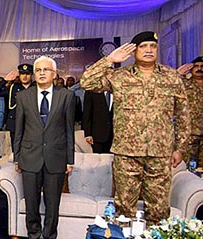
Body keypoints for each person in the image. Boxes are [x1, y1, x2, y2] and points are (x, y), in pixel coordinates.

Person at [80, 31, 189, 225]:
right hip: (126, 154)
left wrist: (180, 148)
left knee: (159, 209)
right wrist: (109, 60)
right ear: (134, 51)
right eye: (143, 46)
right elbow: (87, 82)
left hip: (160, 153)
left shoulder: (172, 77)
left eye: (153, 46)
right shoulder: (119, 76)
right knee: (124, 210)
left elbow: (183, 115)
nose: (149, 50)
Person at [13, 56, 75, 239]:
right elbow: (19, 130)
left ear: (54, 74)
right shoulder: (23, 96)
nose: (41, 73)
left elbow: (69, 130)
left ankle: (49, 236)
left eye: (46, 70)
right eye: (38, 70)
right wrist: (17, 157)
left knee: (52, 203)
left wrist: (70, 159)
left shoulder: (67, 96)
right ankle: (33, 235)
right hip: (29, 156)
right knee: (31, 203)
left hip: (56, 158)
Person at [0, 64, 35, 148]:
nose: (25, 76)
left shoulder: (35, 88)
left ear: (31, 75)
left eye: (27, 74)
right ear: (19, 75)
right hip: (15, 123)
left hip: (32, 124)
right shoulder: (13, 88)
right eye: (22, 74)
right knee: (16, 148)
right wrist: (5, 80)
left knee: (32, 149)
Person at [179, 56, 203, 160]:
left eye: (202, 66)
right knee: (190, 164)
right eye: (196, 66)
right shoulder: (183, 83)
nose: (199, 69)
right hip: (190, 132)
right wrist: (178, 74)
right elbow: (166, 85)